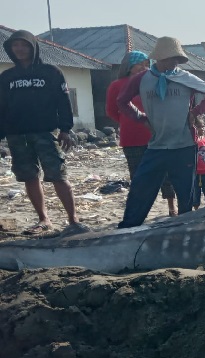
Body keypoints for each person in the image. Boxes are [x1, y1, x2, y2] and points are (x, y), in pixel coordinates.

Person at [117, 36, 205, 228]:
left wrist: (195, 112)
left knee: (185, 193)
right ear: (159, 58)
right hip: (156, 144)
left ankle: (185, 228)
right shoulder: (142, 79)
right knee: (141, 186)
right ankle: (129, 227)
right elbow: (122, 102)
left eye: (177, 59)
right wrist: (140, 118)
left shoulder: (185, 77)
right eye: (170, 58)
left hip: (184, 145)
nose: (174, 62)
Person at [0, 30, 85, 235]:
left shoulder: (51, 72)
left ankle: (73, 221)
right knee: (30, 176)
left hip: (46, 132)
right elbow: (1, 107)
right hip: (17, 134)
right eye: (15, 45)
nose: (20, 49)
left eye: (24, 45)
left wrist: (65, 129)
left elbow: (63, 102)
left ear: (33, 47)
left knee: (58, 175)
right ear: (10, 49)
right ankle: (43, 219)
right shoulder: (7, 77)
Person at [106, 50, 178, 217]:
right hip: (132, 138)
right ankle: (140, 211)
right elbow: (111, 111)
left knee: (166, 173)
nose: (144, 68)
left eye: (147, 65)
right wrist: (128, 120)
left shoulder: (154, 82)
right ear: (129, 66)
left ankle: (171, 206)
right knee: (138, 177)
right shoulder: (117, 85)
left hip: (158, 135)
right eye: (141, 64)